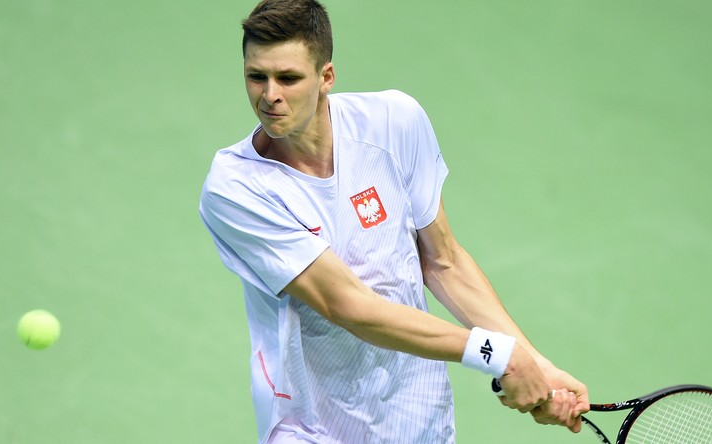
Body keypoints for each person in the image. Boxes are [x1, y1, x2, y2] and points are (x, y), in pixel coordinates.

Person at [199, 0, 589, 442]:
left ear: (326, 77)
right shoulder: (235, 188)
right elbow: (348, 306)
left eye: (288, 78)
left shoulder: (393, 122)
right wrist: (497, 354)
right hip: (312, 427)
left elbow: (443, 262)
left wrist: (535, 364)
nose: (269, 95)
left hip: (418, 418)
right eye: (256, 76)